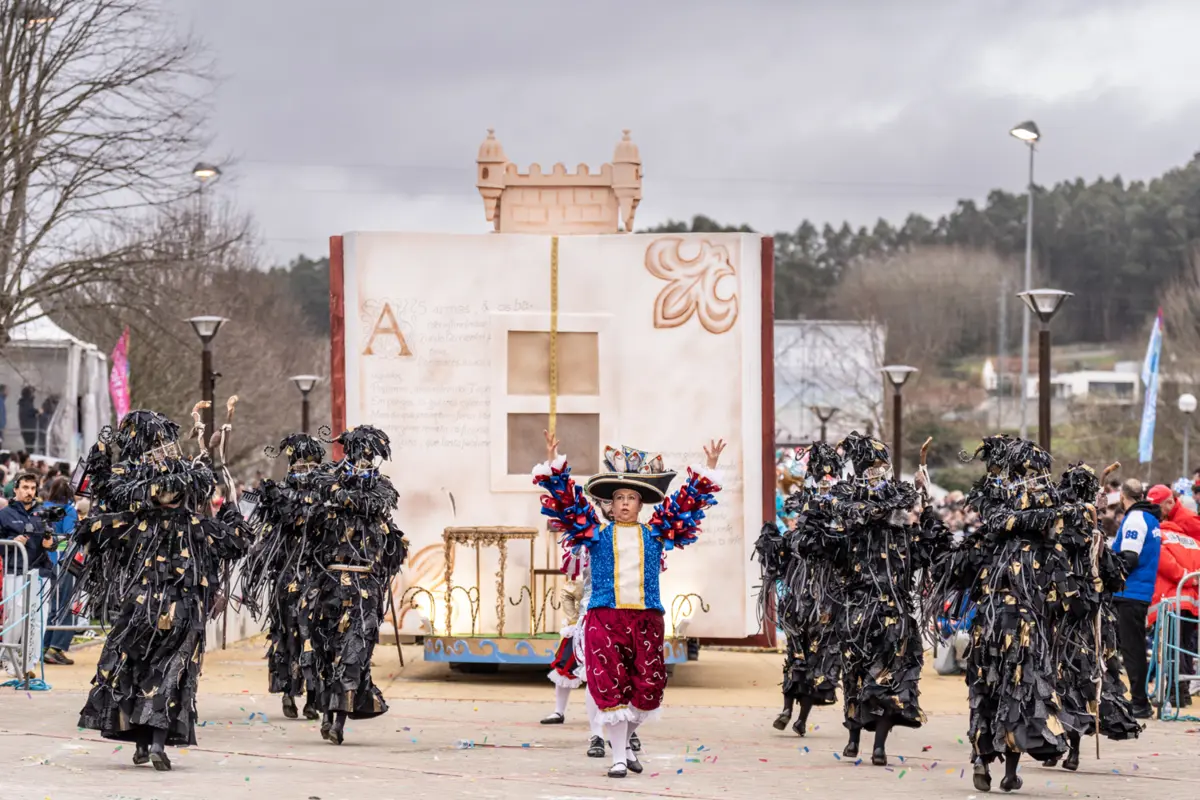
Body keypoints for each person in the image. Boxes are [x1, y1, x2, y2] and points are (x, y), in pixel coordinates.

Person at [533, 431, 724, 779]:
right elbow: (566, 504)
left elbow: (687, 506)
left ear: (641, 504)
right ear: (609, 503)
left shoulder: (655, 533)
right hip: (604, 619)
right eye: (618, 497)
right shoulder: (595, 533)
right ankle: (618, 757)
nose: (623, 503)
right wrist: (555, 469)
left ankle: (626, 740)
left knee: (649, 689)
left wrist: (708, 469)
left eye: (631, 498)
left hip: (647, 620)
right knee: (609, 687)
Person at [71, 409, 249, 771]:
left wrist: (102, 454)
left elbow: (93, 524)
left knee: (136, 667)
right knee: (168, 673)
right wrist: (231, 509)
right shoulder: (198, 526)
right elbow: (237, 540)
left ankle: (142, 743)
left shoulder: (132, 524)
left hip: (139, 609)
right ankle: (154, 744)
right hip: (181, 610)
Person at [931, 435, 1069, 793]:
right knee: (1018, 694)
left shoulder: (986, 541)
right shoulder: (1046, 550)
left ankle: (981, 762)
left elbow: (953, 570)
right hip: (1023, 626)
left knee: (985, 689)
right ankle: (1008, 771)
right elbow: (1062, 597)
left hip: (987, 625)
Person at [800, 432, 945, 769]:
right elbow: (817, 542)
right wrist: (818, 508)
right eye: (872, 466)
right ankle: (854, 740)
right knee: (856, 674)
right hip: (856, 611)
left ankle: (875, 746)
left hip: (894, 614)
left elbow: (932, 548)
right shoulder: (850, 524)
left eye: (882, 467)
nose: (878, 472)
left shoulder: (905, 537)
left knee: (889, 678)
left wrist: (926, 501)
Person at [303, 426, 408, 745]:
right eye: (361, 453)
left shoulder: (379, 494)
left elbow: (388, 537)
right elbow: (313, 535)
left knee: (355, 651)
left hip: (364, 586)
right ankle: (327, 712)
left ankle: (338, 719)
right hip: (331, 586)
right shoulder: (327, 486)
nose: (366, 459)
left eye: (370, 455)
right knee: (328, 649)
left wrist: (393, 545)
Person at [1046, 464, 1141, 772]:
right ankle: (1059, 745)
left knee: (1074, 679)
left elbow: (1112, 576)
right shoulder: (1083, 536)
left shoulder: (1084, 538)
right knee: (1063, 680)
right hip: (1068, 620)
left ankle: (1066, 747)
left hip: (1082, 623)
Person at [756, 442, 844, 738]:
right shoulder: (792, 538)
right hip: (796, 606)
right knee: (796, 658)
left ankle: (801, 718)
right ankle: (786, 710)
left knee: (816, 663)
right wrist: (769, 544)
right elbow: (777, 566)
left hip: (825, 608)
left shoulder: (833, 538)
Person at [239, 433, 327, 721]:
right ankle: (289, 692)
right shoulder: (277, 494)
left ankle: (314, 697)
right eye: (298, 462)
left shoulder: (327, 496)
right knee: (287, 635)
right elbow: (257, 524)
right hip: (286, 574)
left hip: (317, 574)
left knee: (316, 636)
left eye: (310, 463)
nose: (304, 468)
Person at [1111, 478, 1161, 719]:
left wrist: (1109, 573)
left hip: (1129, 592)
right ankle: (1137, 699)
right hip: (1138, 592)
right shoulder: (1150, 518)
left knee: (1132, 649)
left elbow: (1129, 558)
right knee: (1133, 648)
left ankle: (1139, 702)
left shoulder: (1136, 518)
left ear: (1123, 496)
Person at [1147, 522, 1200, 707]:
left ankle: (1175, 692)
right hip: (1191, 602)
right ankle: (1182, 692)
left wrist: (1185, 577)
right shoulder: (1193, 542)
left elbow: (1165, 564)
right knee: (1183, 647)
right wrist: (1193, 581)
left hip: (1170, 600)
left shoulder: (1160, 537)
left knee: (1171, 648)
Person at [41, 476, 79, 665]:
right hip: (64, 563)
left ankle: (45, 646)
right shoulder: (69, 511)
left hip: (45, 562)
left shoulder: (43, 508)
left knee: (54, 606)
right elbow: (69, 538)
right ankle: (56, 648)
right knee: (66, 606)